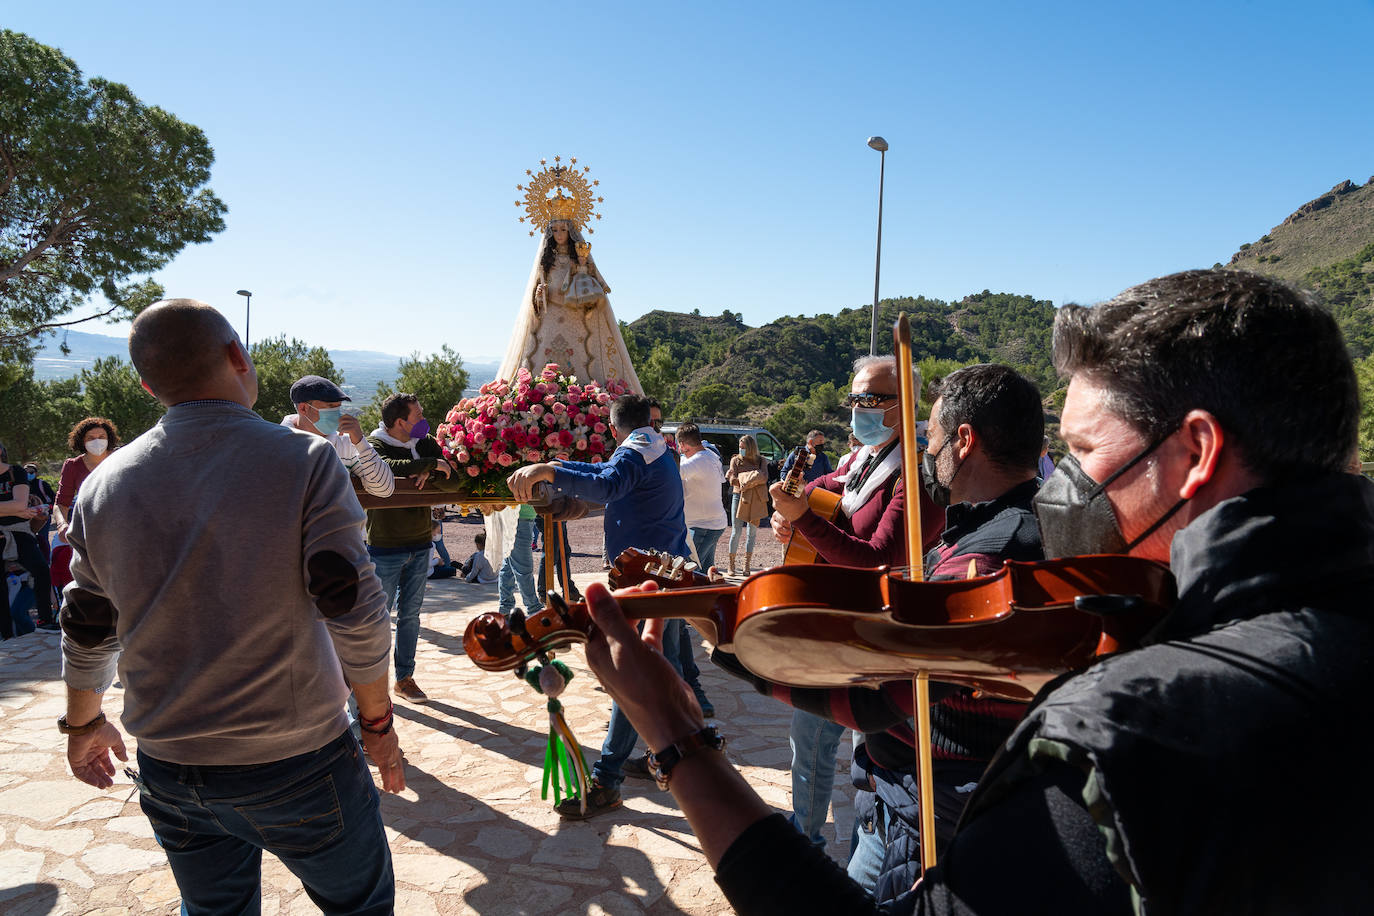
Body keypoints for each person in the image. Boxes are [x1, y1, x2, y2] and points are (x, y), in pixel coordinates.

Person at [577, 268, 1374, 914]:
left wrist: (678, 739)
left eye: (1087, 450)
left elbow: (888, 672)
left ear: (1196, 451)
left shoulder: (1130, 736)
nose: (1071, 487)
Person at [59, 299, 403, 914]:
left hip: (169, 768)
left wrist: (84, 723)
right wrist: (377, 725)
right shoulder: (302, 460)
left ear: (147, 384)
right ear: (238, 358)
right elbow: (352, 605)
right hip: (298, 762)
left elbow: (88, 624)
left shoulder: (102, 485)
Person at [761, 363, 1044, 901]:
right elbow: (821, 493)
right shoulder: (1000, 525)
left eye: (931, 438)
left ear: (963, 442)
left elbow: (881, 700)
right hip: (918, 796)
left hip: (926, 811)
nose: (926, 451)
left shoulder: (981, 561)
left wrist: (750, 660)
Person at [763, 355, 939, 854]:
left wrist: (806, 521)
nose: (858, 409)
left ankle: (874, 851)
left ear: (905, 406)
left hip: (878, 635)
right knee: (809, 744)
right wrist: (789, 513)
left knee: (872, 756)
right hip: (833, 627)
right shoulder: (862, 459)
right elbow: (820, 492)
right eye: (855, 398)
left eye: (871, 399)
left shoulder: (917, 474)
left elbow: (880, 557)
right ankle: (808, 843)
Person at [507, 393, 691, 818]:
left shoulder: (639, 450)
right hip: (661, 575)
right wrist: (567, 489)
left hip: (647, 579)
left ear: (612, 428)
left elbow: (607, 482)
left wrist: (549, 468)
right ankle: (665, 753)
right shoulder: (653, 447)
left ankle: (608, 781)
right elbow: (610, 480)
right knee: (669, 671)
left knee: (632, 679)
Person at [366, 392, 454, 703]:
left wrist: (427, 470)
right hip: (384, 547)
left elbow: (453, 478)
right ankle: (370, 686)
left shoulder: (425, 442)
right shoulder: (374, 445)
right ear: (401, 422)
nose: (423, 420)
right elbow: (387, 467)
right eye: (417, 415)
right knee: (377, 620)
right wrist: (431, 465)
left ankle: (404, 679)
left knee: (410, 616)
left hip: (420, 543)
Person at [497, 217, 641, 392]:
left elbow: (590, 288)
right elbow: (534, 300)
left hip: (576, 321)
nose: (559, 234)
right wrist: (539, 294)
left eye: (563, 230)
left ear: (571, 233)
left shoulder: (580, 260)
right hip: (549, 321)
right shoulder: (545, 262)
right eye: (555, 230)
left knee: (581, 363)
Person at [675, 421, 726, 718]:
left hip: (700, 526)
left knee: (693, 577)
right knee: (705, 572)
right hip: (716, 522)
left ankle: (703, 621)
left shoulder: (692, 461)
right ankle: (712, 618)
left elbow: (677, 473)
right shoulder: (712, 457)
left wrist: (679, 455)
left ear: (685, 444)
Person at [282, 375, 395, 498]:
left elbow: (384, 489)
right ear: (303, 408)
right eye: (330, 407)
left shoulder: (346, 443)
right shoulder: (279, 443)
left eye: (338, 406)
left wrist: (361, 442)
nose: (337, 413)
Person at [0, 441, 55, 631]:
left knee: (40, 570)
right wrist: (14, 509)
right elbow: (16, 507)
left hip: (19, 531)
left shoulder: (15, 472)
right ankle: (6, 632)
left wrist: (18, 509)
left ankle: (45, 620)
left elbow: (20, 504)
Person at [725, 435, 769, 576]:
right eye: (740, 447)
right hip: (739, 496)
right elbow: (732, 480)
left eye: (743, 447)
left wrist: (744, 479)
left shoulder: (761, 460)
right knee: (736, 531)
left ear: (750, 447)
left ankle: (746, 565)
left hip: (755, 498)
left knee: (752, 533)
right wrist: (752, 477)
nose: (740, 449)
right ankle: (731, 565)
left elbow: (764, 477)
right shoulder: (735, 460)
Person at [498, 503, 543, 615]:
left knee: (508, 566)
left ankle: (505, 609)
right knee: (523, 567)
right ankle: (534, 609)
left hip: (518, 516)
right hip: (518, 517)